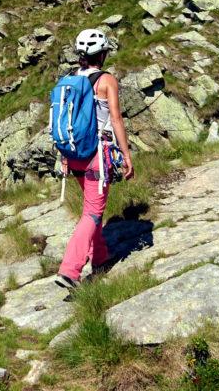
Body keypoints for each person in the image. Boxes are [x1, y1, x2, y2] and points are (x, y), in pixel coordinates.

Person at [55, 28, 134, 291]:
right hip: (97, 155)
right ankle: (69, 270)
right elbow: (116, 119)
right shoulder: (106, 80)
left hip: (74, 155)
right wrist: (125, 154)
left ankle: (100, 257)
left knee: (92, 207)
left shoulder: (70, 78)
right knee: (92, 212)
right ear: (102, 54)